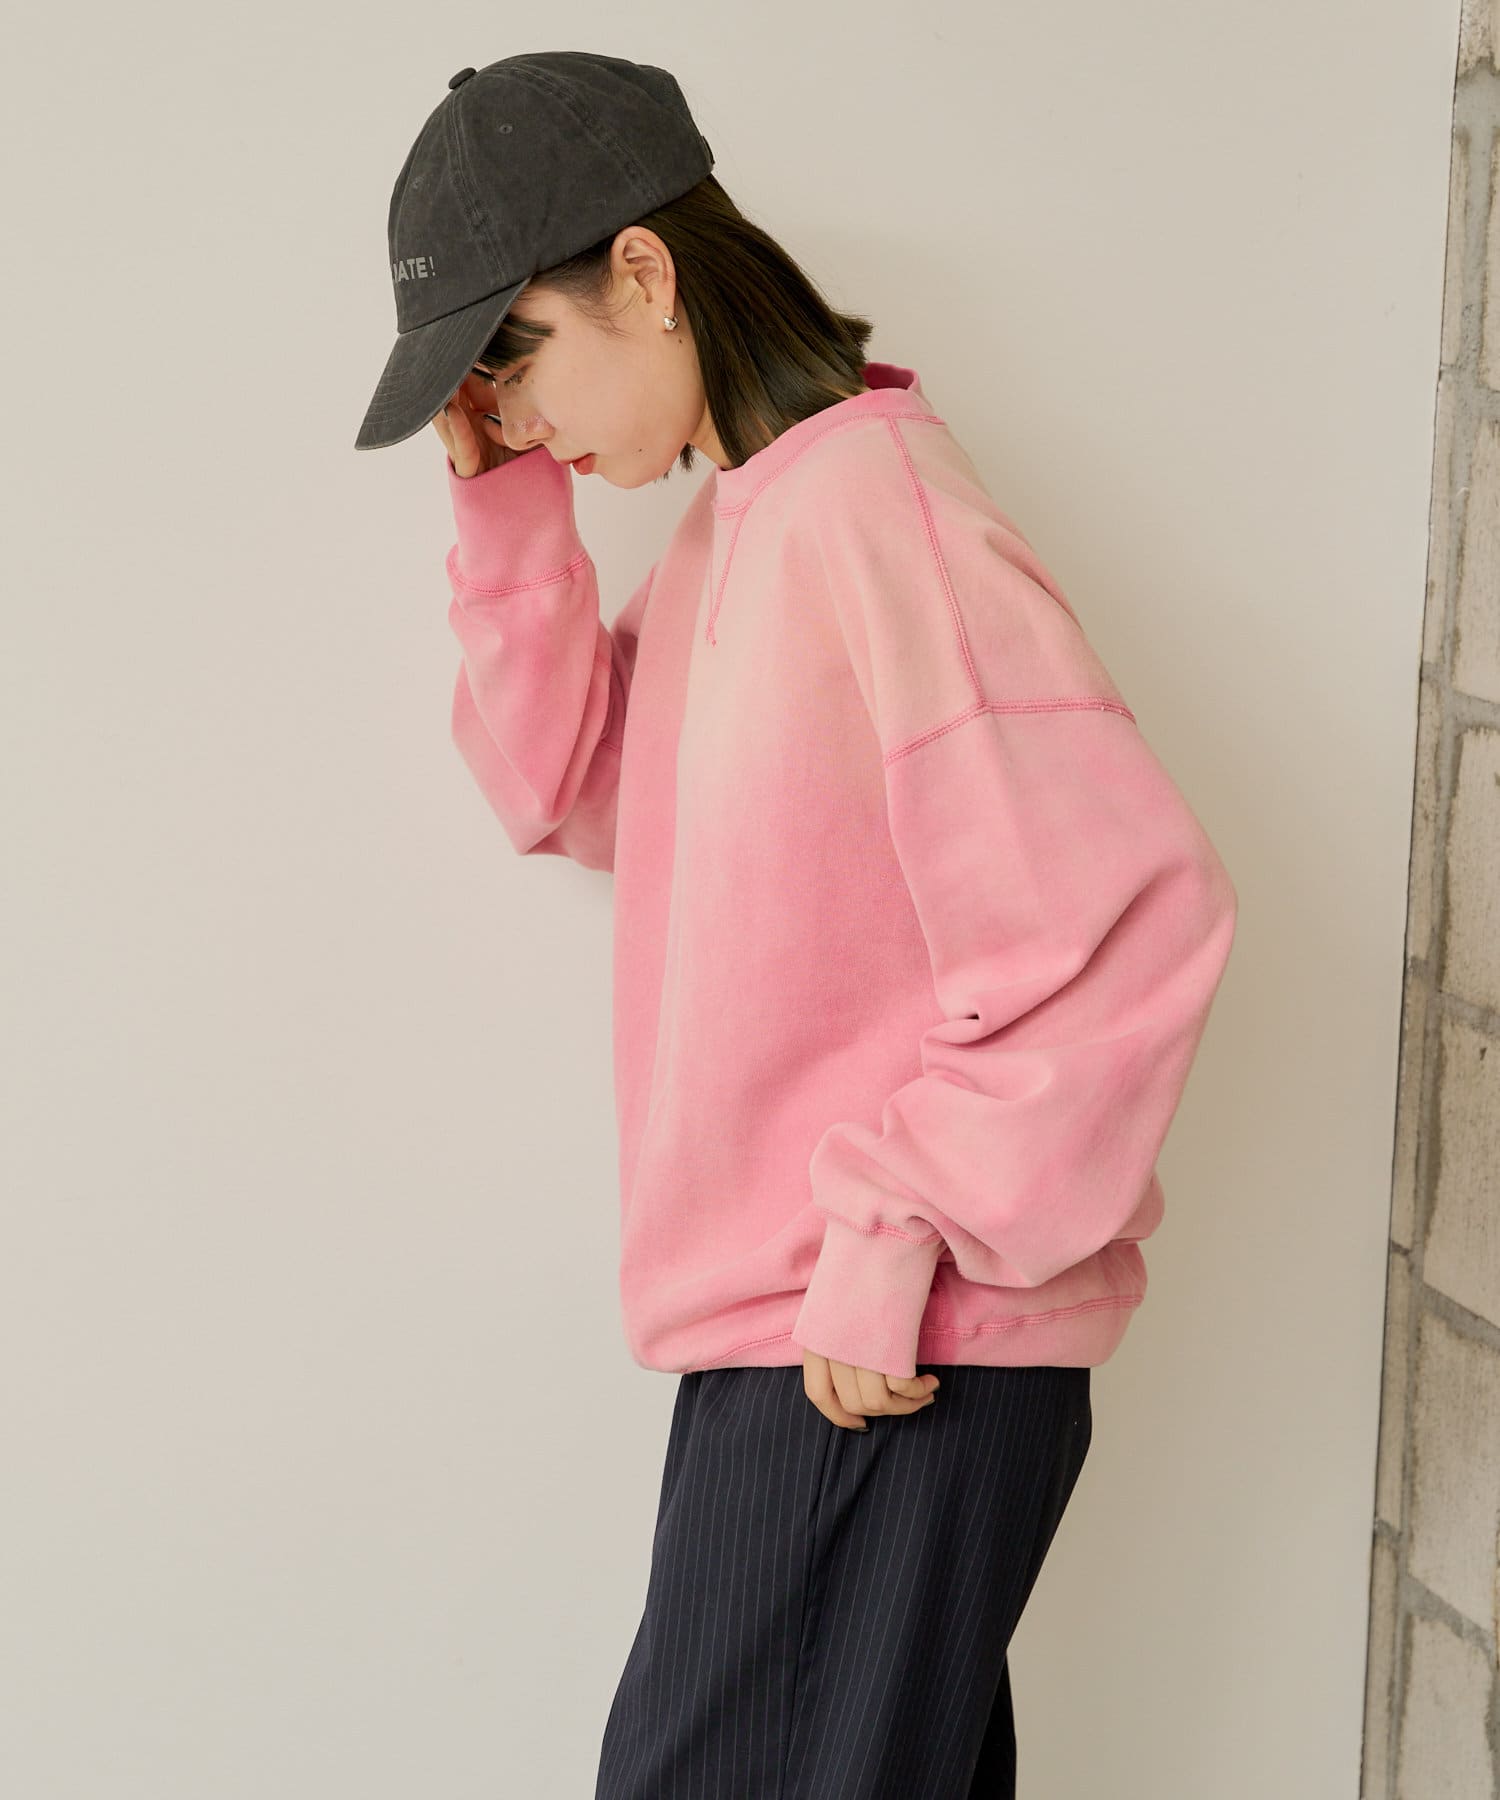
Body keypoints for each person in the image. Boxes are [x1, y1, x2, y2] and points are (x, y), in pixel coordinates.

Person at [356, 51, 1238, 1800]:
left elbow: (1136, 916)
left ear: (644, 271)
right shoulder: (744, 526)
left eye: (512, 359)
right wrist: (501, 495)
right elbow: (559, 786)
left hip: (874, 1335)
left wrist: (893, 1235)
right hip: (822, 1331)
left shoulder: (873, 513)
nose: (510, 413)